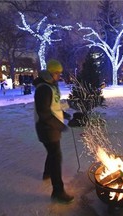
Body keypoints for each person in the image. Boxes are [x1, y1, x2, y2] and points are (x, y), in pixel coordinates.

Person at [33, 59, 74, 204]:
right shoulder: (43, 88)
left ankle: (47, 173)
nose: (59, 76)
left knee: (52, 152)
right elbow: (44, 113)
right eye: (57, 73)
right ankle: (58, 191)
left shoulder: (51, 86)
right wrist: (60, 125)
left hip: (51, 127)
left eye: (59, 73)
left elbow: (54, 106)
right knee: (56, 157)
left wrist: (65, 115)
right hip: (47, 128)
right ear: (50, 73)